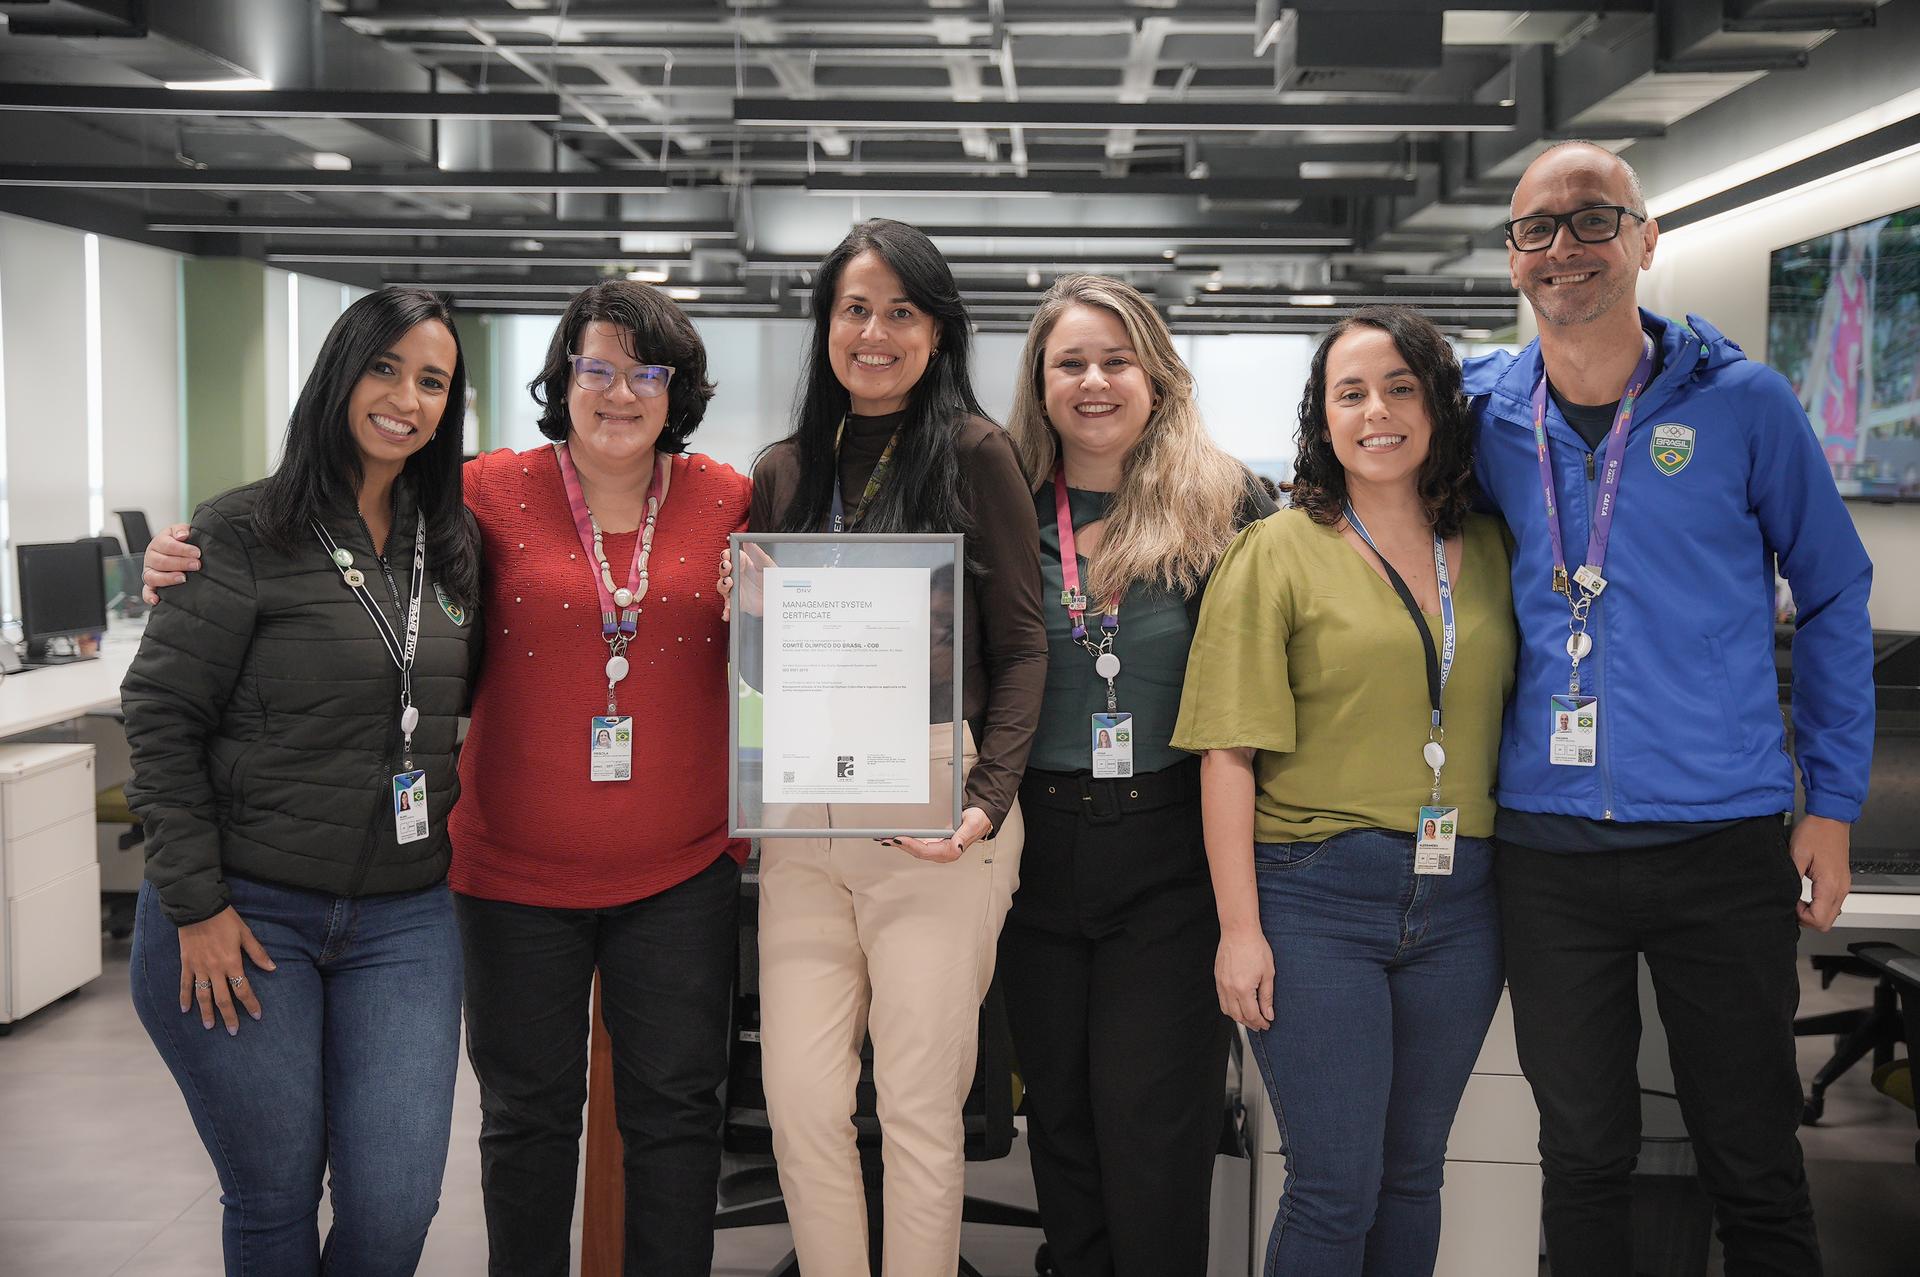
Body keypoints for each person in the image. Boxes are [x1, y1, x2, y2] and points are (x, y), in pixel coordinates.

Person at [143, 280, 752, 1277]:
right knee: (523, 1119)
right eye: (596, 366)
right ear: (562, 377)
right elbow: (331, 517)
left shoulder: (731, 500)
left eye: (649, 371)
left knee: (678, 1119)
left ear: (677, 389)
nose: (621, 392)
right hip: (505, 876)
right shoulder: (482, 493)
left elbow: (814, 592)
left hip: (676, 872)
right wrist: (188, 550)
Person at [1467, 141, 1874, 1274]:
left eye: (1594, 220)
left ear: (1646, 240)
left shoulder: (1745, 405)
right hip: (1549, 851)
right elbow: (1353, 459)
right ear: (1512, 262)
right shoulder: (1482, 412)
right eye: (1537, 230)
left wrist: (1831, 800)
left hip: (1722, 841)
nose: (1565, 248)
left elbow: (1836, 591)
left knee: (1749, 1149)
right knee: (1584, 1152)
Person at [122, 286, 482, 1275]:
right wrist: (196, 904)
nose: (405, 396)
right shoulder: (242, 529)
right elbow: (160, 717)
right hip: (246, 914)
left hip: (405, 919)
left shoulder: (454, 545)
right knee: (276, 1191)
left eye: (432, 379)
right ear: (340, 371)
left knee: (397, 1201)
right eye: (385, 366)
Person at [720, 217, 1046, 1276]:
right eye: (856, 308)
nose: (876, 331)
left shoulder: (974, 452)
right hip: (806, 824)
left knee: (916, 1104)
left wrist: (987, 798)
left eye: (903, 311)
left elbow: (1024, 645)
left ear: (939, 329)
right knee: (803, 1104)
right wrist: (745, 617)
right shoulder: (779, 472)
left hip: (937, 817)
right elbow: (763, 678)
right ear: (825, 324)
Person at [1172, 306, 1516, 1275]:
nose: (1377, 411)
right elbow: (1226, 756)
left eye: (1401, 387)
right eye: (1350, 392)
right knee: (1334, 1182)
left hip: (1462, 902)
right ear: (1321, 418)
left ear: (1440, 405)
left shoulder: (1493, 548)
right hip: (1316, 893)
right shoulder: (1277, 549)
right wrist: (1240, 930)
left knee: (1413, 1173)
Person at [1000, 273, 1273, 1276]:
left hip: (1170, 847)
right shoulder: (1004, 504)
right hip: (1034, 845)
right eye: (1070, 361)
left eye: (1117, 359)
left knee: (1152, 1131)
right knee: (1061, 1122)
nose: (1094, 380)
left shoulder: (1229, 503)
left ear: (1156, 375)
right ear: (1041, 380)